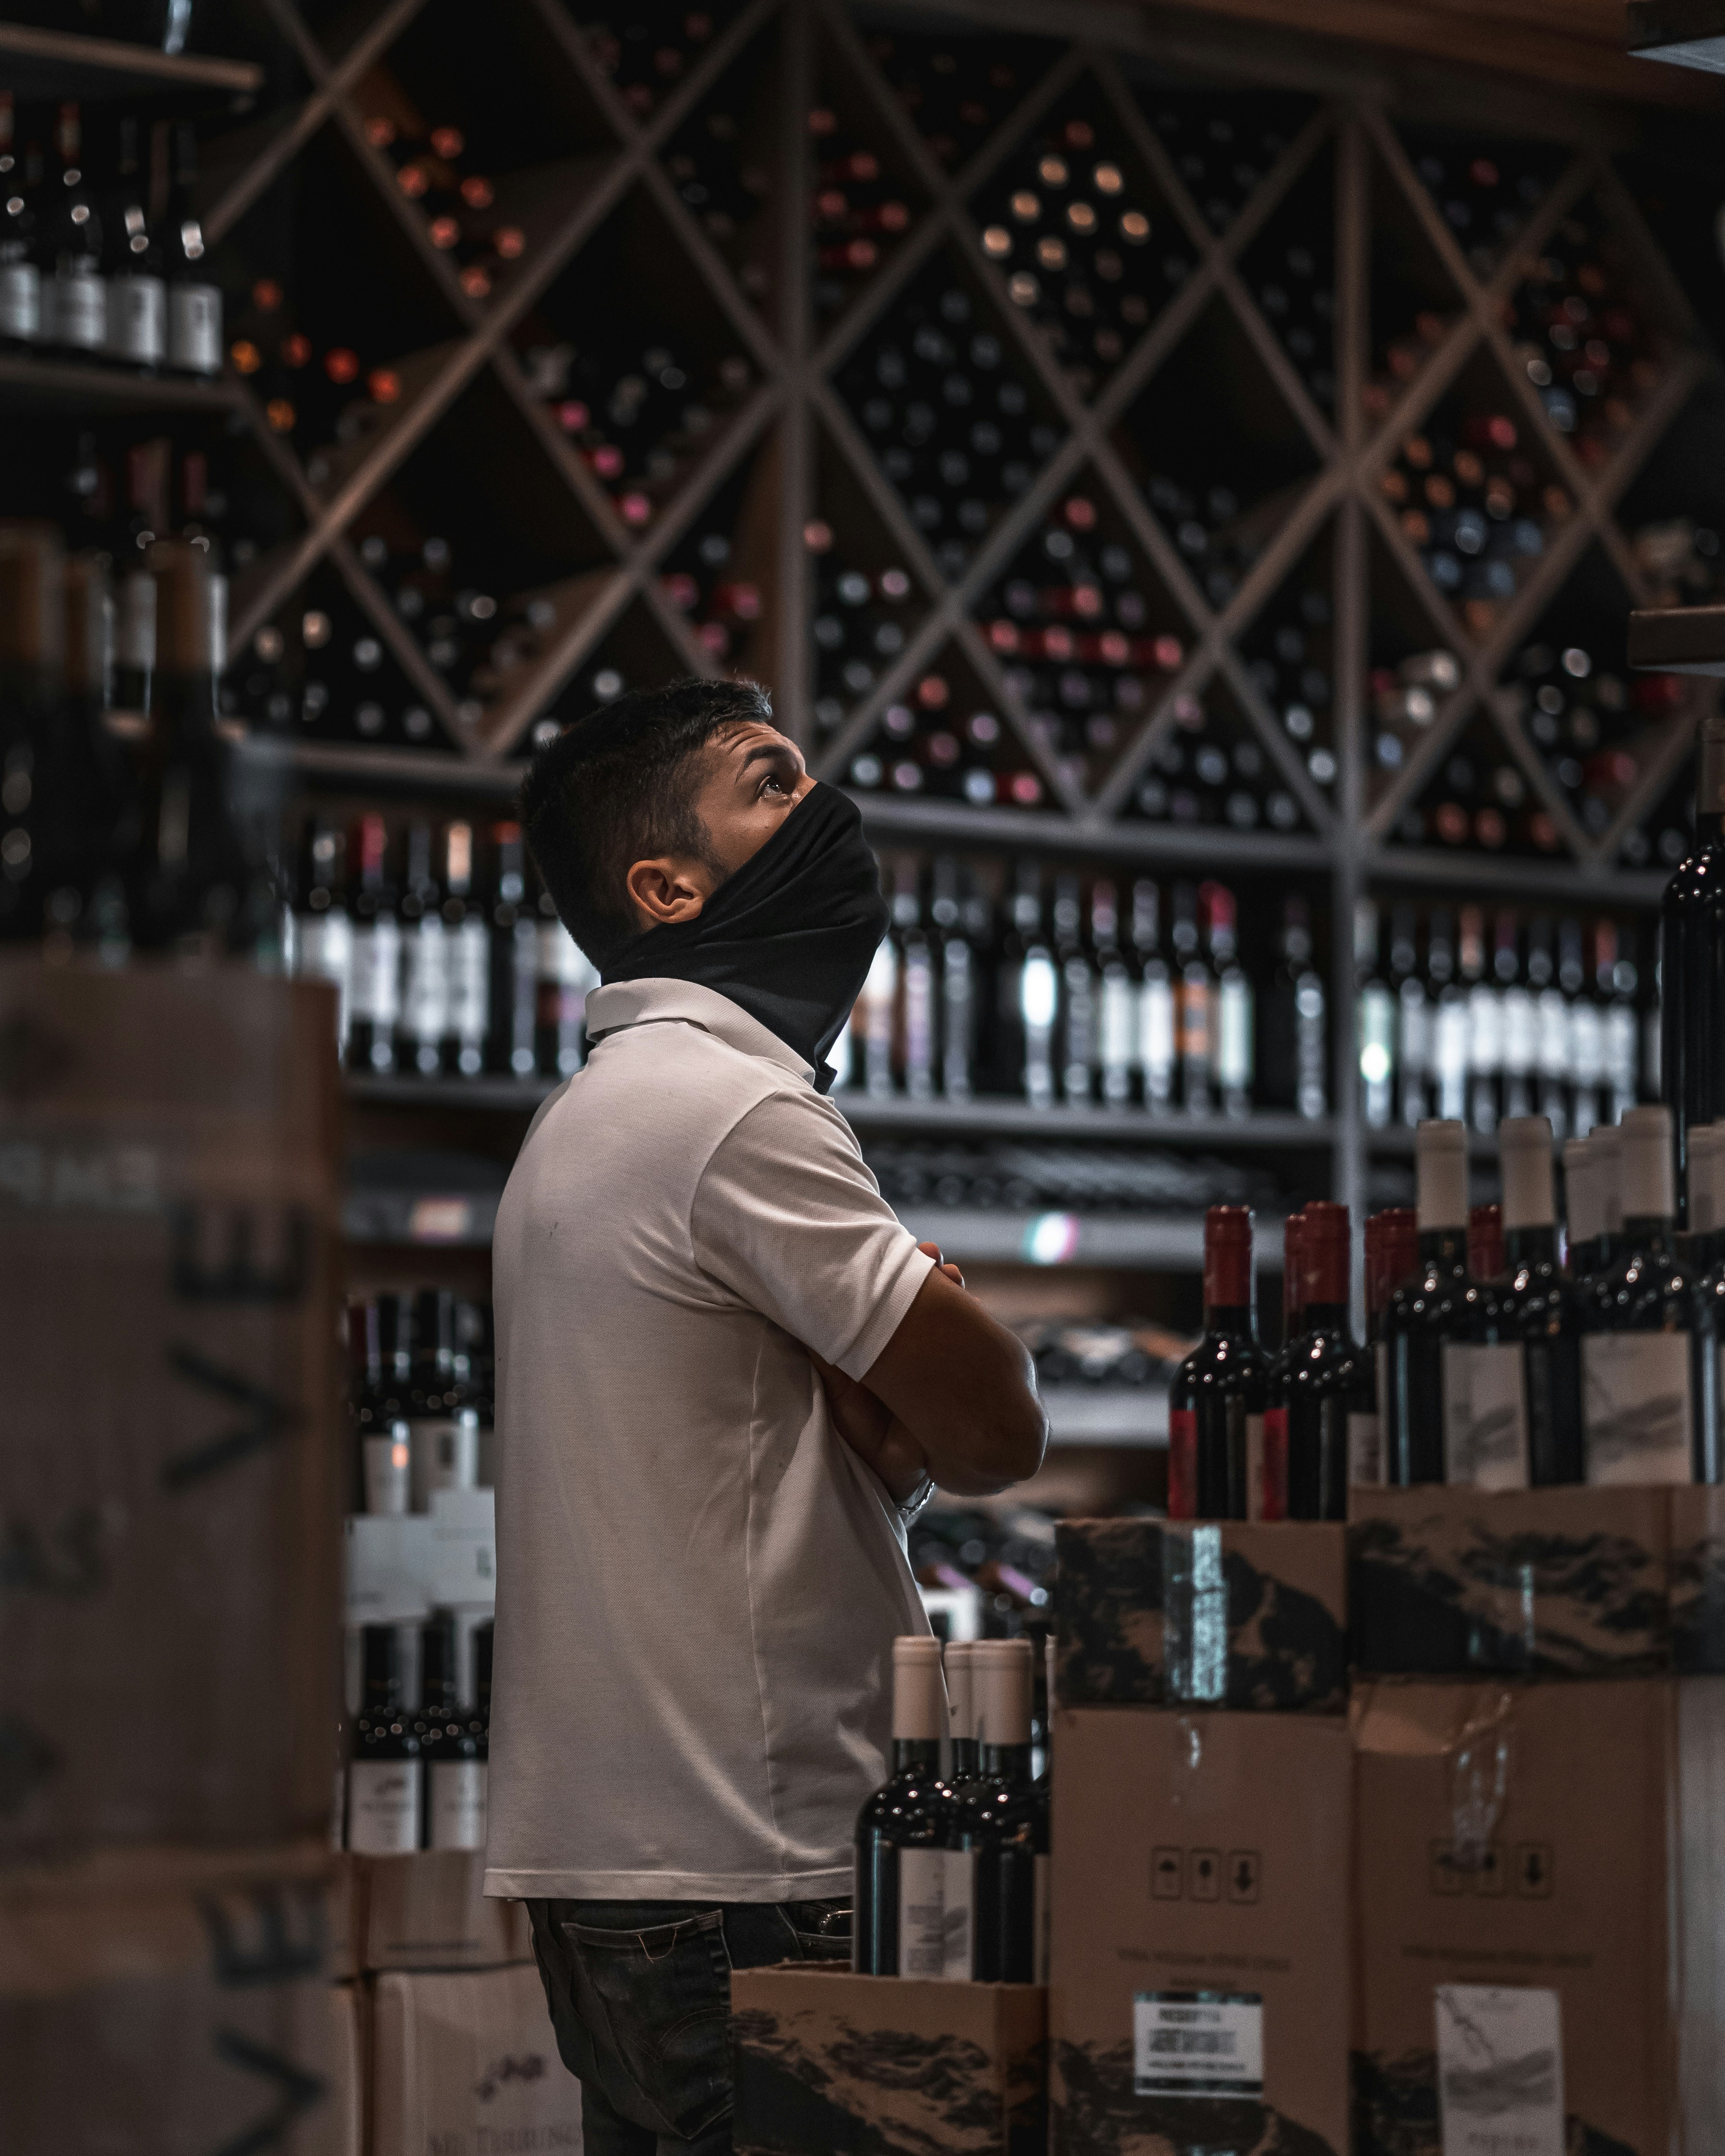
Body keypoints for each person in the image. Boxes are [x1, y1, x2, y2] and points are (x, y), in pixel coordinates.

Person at [486, 677, 1046, 2154]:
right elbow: (1000, 1426)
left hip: (618, 1864)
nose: (827, 812)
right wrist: (945, 1370)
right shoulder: (732, 1108)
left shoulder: (588, 1115)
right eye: (773, 782)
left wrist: (886, 1459)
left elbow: (738, 1469)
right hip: (756, 1858)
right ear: (665, 885)